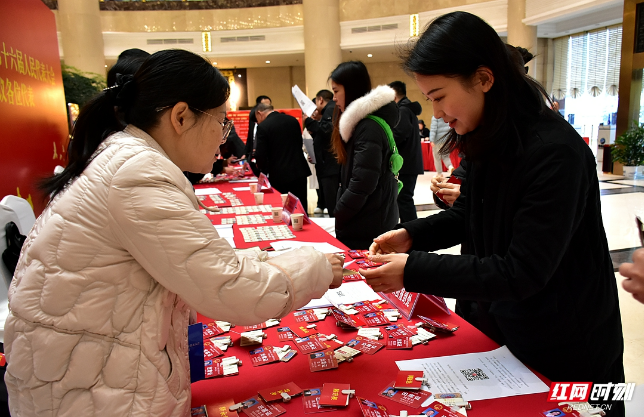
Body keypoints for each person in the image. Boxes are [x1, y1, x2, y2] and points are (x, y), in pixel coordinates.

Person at [5, 49, 343, 417]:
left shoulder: (124, 156)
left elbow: (202, 262)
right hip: (89, 391)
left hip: (82, 371)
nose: (223, 138)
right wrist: (316, 267)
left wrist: (275, 258)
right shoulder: (137, 174)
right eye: (221, 122)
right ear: (181, 117)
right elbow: (233, 289)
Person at [362, 12, 624, 415]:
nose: (436, 113)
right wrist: (413, 236)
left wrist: (412, 269)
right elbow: (470, 214)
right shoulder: (488, 135)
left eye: (439, 96)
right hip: (499, 332)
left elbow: (522, 271)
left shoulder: (555, 152)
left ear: (484, 79)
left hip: (565, 346)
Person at [331, 61, 399, 249]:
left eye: (336, 91)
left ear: (351, 89)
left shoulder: (368, 128)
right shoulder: (360, 125)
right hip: (366, 221)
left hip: (368, 226)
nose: (334, 98)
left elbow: (362, 184)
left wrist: (340, 211)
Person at [254, 103, 311, 209]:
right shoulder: (292, 120)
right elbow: (298, 143)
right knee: (301, 209)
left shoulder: (263, 127)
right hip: (299, 172)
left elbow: (261, 155)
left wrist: (262, 170)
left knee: (284, 210)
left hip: (279, 175)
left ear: (259, 113)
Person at [388, 81, 424, 222]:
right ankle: (409, 230)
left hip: (406, 162)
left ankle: (410, 231)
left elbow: (399, 134)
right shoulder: (407, 108)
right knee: (404, 198)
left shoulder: (403, 110)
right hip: (409, 161)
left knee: (404, 199)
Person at [305, 90, 340, 217]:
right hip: (327, 164)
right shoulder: (329, 110)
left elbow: (327, 130)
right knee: (330, 200)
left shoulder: (330, 108)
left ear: (320, 100)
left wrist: (308, 121)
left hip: (330, 166)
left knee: (332, 203)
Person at [243, 95, 271, 175]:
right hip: (253, 158)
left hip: (266, 161)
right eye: (265, 106)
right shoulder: (253, 119)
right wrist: (245, 153)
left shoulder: (270, 123)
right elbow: (250, 138)